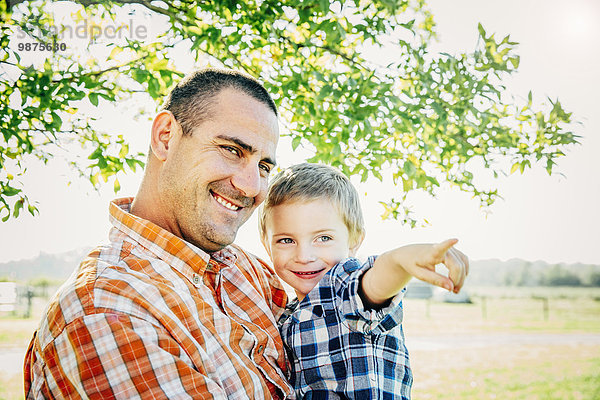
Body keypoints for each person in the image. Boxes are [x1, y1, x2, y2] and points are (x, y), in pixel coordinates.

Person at [23, 69, 296, 398]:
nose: (252, 187)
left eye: (264, 167)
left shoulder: (249, 272)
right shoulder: (107, 311)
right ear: (166, 137)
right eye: (232, 150)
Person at [258, 163, 469, 399]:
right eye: (286, 240)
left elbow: (374, 283)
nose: (303, 256)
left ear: (354, 240)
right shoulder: (285, 315)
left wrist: (400, 260)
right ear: (267, 245)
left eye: (323, 238)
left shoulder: (342, 284)